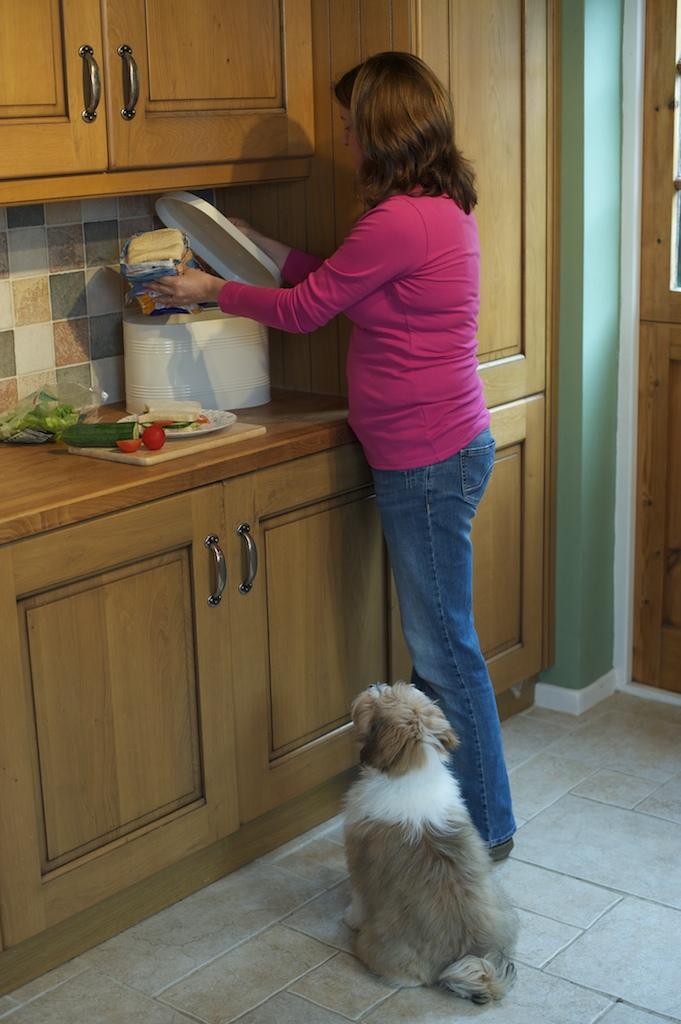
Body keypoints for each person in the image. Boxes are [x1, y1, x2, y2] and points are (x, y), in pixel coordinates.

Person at [153, 51, 516, 859]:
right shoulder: (431, 207)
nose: (343, 140)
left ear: (382, 127)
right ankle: (451, 823)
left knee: (444, 654)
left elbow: (313, 310)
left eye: (351, 126)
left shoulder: (397, 218)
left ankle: (487, 832)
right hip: (438, 449)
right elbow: (340, 282)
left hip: (426, 457)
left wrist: (213, 291)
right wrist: (258, 247)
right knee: (442, 653)